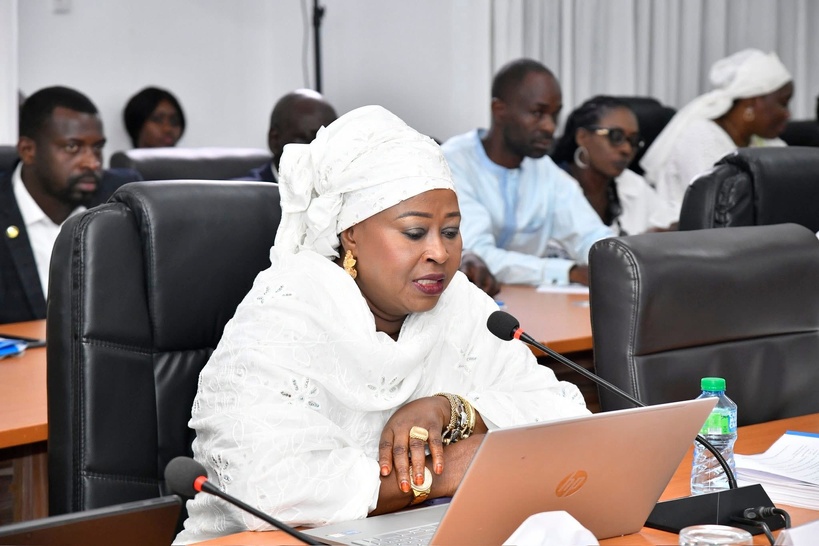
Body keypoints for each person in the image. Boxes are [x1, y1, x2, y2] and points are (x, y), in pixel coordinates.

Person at [173, 105, 589, 544]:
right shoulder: (287, 311)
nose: (440, 253)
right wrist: (444, 471)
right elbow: (265, 488)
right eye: (415, 233)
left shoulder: (461, 303)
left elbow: (567, 418)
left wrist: (452, 410)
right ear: (350, 233)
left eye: (450, 232)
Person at [441, 59, 614, 288]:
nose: (550, 127)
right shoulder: (452, 163)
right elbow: (475, 252)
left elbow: (589, 235)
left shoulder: (544, 170)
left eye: (554, 115)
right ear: (499, 110)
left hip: (531, 298)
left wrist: (618, 261)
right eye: (537, 113)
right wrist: (569, 272)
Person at [0, 86, 142, 324]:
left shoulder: (121, 196)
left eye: (97, 148)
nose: (92, 163)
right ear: (28, 150)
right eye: (72, 147)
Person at [641, 49, 793, 217]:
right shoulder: (700, 138)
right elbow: (720, 207)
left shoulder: (765, 142)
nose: (788, 114)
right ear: (752, 102)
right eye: (783, 103)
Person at [551, 96, 677, 235]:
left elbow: (671, 221)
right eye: (616, 137)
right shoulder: (552, 188)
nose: (627, 149)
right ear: (583, 137)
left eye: (633, 140)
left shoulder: (632, 184)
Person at [237, 89, 337, 183]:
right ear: (275, 140)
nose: (319, 154)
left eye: (327, 143)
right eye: (306, 141)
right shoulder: (241, 194)